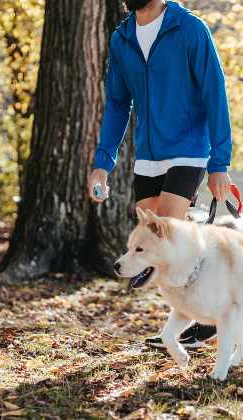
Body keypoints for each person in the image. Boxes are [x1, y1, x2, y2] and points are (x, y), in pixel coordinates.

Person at [87, 0, 231, 348]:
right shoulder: (122, 38)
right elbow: (119, 103)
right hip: (147, 156)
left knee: (163, 234)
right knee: (160, 243)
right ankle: (207, 307)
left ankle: (201, 323)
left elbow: (215, 94)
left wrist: (219, 164)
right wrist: (102, 163)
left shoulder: (189, 29)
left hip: (188, 148)